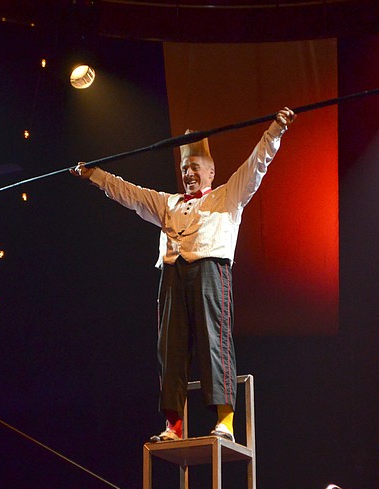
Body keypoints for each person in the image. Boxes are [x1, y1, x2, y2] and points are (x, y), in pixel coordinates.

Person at [71, 107, 295, 443]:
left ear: (210, 171)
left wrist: (276, 129)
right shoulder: (168, 203)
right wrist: (94, 175)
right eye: (183, 168)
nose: (188, 173)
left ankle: (225, 420)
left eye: (194, 167)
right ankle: (173, 425)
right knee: (170, 348)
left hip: (209, 270)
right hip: (173, 274)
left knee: (213, 341)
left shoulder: (226, 196)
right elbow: (129, 193)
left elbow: (256, 165)